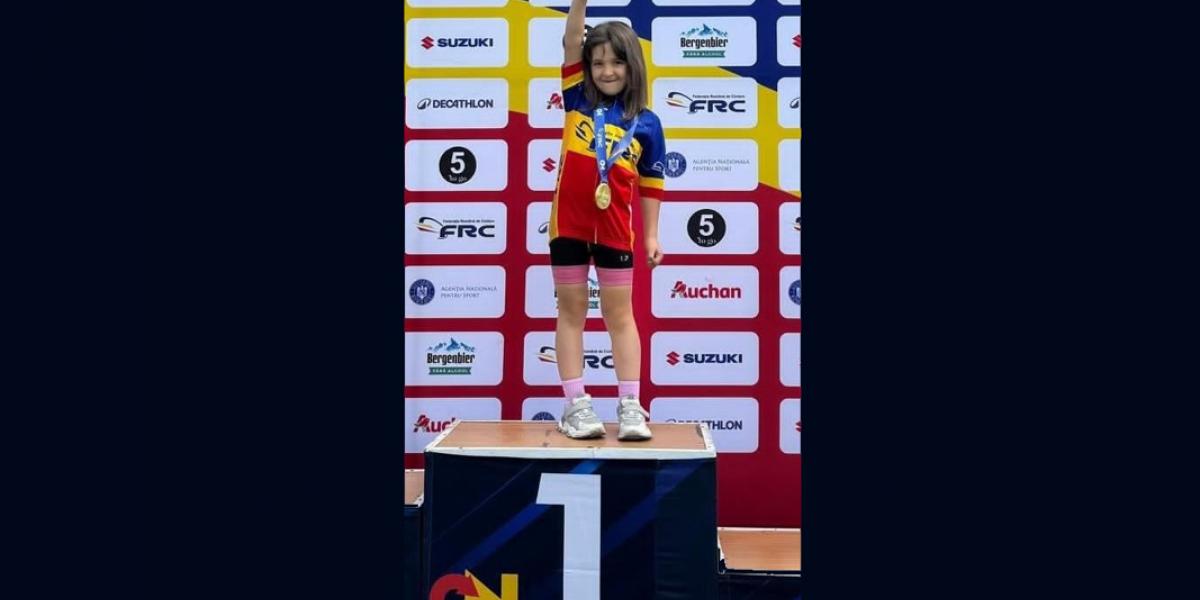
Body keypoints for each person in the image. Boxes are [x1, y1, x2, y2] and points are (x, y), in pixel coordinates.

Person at [551, 0, 666, 441]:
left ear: (632, 65)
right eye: (598, 63)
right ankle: (576, 404)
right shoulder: (577, 97)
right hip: (568, 226)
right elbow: (571, 39)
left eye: (616, 62)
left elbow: (652, 183)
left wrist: (652, 235)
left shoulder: (648, 123)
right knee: (572, 312)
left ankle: (631, 405)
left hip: (617, 229)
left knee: (620, 315)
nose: (607, 71)